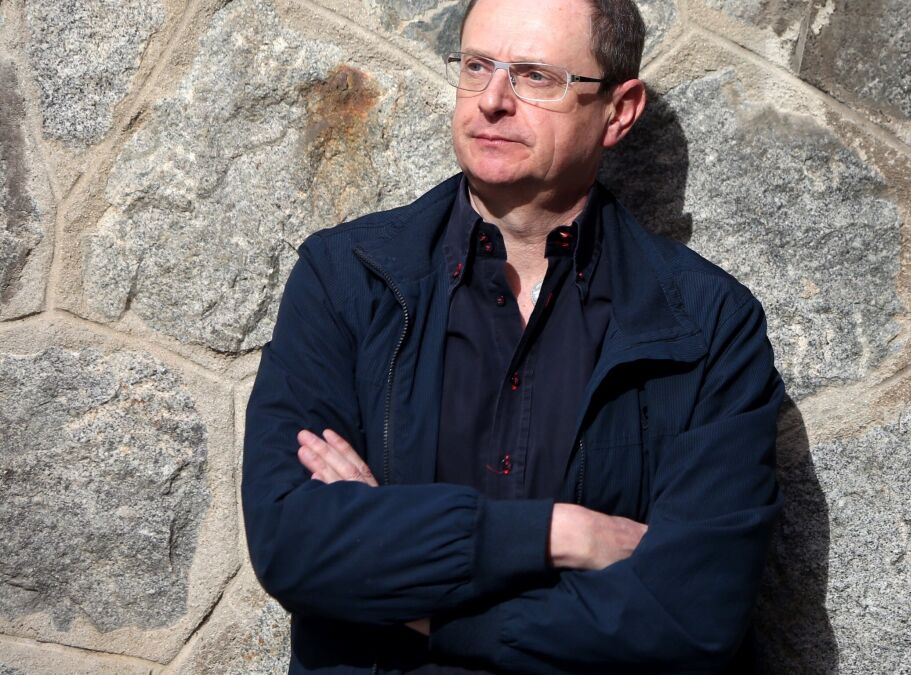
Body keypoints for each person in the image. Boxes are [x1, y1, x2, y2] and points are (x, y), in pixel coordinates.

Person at [241, 0, 784, 671]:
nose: (493, 100)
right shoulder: (348, 280)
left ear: (618, 111)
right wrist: (561, 533)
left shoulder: (706, 324)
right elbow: (293, 543)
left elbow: (689, 616)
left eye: (535, 76)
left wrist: (415, 598)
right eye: (477, 66)